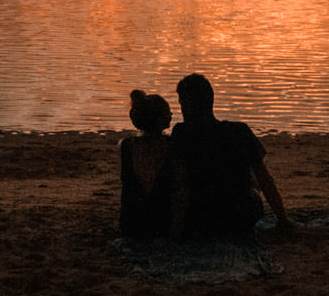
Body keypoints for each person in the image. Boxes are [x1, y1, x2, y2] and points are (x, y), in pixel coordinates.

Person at [169, 72, 290, 239]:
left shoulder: (181, 133)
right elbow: (264, 179)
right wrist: (282, 219)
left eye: (181, 103)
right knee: (252, 181)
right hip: (242, 215)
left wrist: (175, 231)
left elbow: (181, 184)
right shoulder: (240, 131)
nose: (181, 108)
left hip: (200, 217)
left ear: (187, 104)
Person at [119, 89, 175, 239]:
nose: (171, 115)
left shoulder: (126, 146)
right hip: (162, 219)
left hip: (132, 219)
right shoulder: (171, 145)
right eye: (168, 112)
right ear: (159, 119)